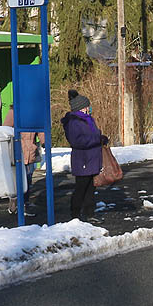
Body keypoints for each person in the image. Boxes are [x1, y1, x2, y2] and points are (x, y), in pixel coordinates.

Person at [60, 90, 104, 222]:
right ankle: (75, 214)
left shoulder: (88, 120)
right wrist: (96, 140)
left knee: (90, 188)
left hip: (91, 158)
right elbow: (77, 141)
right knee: (81, 187)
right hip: (83, 159)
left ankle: (90, 213)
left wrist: (101, 138)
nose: (89, 108)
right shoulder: (74, 122)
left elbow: (92, 136)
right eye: (87, 106)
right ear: (81, 107)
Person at [3, 105, 41, 216]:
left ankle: (25, 202)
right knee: (17, 179)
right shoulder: (14, 112)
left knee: (28, 178)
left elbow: (40, 129)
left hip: (30, 151)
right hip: (18, 151)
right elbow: (6, 129)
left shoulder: (34, 112)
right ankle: (15, 202)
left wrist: (44, 141)